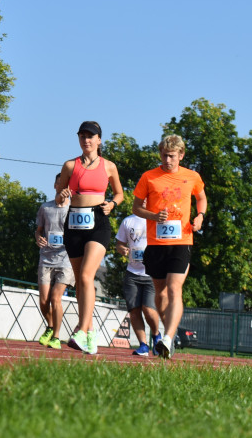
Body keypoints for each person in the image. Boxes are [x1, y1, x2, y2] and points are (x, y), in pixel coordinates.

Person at [131, 134, 207, 359]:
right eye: (164, 155)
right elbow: (136, 208)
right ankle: (168, 335)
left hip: (181, 241)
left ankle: (168, 337)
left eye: (172, 156)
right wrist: (154, 216)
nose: (167, 160)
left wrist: (200, 216)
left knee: (175, 288)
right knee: (160, 295)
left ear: (181, 155)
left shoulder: (192, 176)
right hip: (156, 243)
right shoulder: (149, 177)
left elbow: (201, 198)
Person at [54, 121, 124, 355]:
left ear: (99, 140)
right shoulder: (69, 165)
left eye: (91, 136)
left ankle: (81, 330)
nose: (86, 140)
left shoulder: (109, 166)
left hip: (98, 222)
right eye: (82, 136)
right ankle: (91, 335)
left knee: (86, 275)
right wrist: (62, 194)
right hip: (73, 222)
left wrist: (113, 203)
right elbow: (58, 197)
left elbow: (120, 193)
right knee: (81, 281)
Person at [115, 213, 162, 357]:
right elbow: (119, 243)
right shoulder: (128, 221)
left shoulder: (157, 219)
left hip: (152, 273)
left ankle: (156, 335)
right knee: (134, 311)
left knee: (148, 309)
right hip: (132, 273)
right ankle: (143, 345)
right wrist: (121, 249)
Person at [35, 192, 72, 350]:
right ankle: (50, 326)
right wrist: (38, 238)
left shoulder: (74, 209)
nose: (63, 189)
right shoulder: (45, 207)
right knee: (44, 301)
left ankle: (56, 337)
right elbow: (38, 230)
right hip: (46, 258)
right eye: (60, 184)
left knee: (56, 298)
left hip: (66, 259)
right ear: (56, 185)